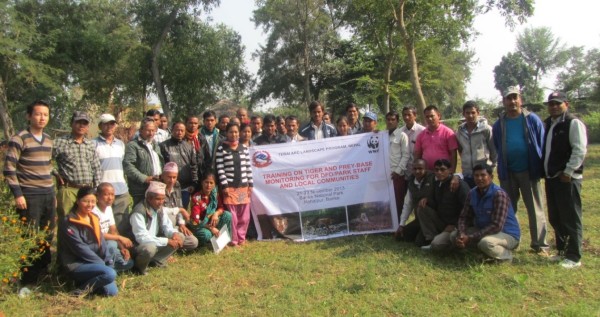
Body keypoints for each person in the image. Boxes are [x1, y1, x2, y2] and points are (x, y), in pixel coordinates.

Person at [3, 100, 55, 285]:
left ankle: (44, 272)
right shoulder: (20, 138)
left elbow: (47, 166)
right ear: (29, 116)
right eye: (38, 114)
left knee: (47, 235)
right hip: (30, 195)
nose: (42, 118)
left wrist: (54, 189)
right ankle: (26, 281)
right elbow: (9, 168)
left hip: (48, 193)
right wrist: (18, 194)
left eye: (45, 115)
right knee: (30, 236)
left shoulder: (48, 139)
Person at [492, 86, 549, 253]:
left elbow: (541, 143)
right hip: (507, 172)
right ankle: (512, 242)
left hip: (529, 171)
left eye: (515, 98)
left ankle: (539, 245)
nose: (512, 101)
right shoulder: (499, 124)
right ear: (504, 102)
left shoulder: (532, 120)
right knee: (509, 209)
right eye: (508, 99)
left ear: (520, 100)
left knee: (535, 209)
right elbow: (497, 144)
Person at [542, 91, 587, 268]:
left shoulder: (572, 122)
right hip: (551, 177)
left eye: (557, 103)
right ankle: (562, 251)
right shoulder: (549, 123)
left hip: (567, 178)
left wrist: (568, 171)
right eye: (551, 103)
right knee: (556, 216)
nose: (554, 106)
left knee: (570, 216)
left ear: (566, 104)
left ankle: (574, 256)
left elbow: (579, 150)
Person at [451, 164, 520, 262]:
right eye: (476, 175)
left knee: (486, 243)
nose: (479, 178)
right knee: (454, 236)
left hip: (506, 234)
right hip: (484, 231)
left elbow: (496, 226)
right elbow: (464, 217)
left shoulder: (499, 195)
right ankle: (484, 254)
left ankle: (507, 256)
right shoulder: (472, 193)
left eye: (483, 175)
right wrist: (462, 234)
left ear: (491, 177)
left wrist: (470, 237)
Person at [58, 187, 118, 296]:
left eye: (93, 201)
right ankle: (79, 292)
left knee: (111, 292)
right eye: (85, 201)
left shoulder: (94, 217)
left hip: (95, 262)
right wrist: (101, 264)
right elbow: (79, 248)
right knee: (109, 274)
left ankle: (89, 282)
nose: (89, 205)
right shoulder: (68, 222)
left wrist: (108, 261)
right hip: (76, 264)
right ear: (77, 201)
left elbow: (102, 242)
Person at [130, 181, 198, 275]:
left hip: (155, 240)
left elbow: (167, 226)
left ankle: (156, 260)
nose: (161, 202)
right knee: (150, 248)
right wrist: (167, 241)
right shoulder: (139, 212)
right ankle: (139, 268)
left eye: (163, 199)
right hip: (139, 246)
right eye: (158, 199)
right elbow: (141, 238)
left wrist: (174, 234)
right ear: (149, 198)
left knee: (180, 236)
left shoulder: (159, 208)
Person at [53, 111, 102, 218]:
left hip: (87, 191)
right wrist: (55, 173)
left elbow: (96, 167)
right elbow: (46, 160)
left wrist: (96, 189)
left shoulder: (90, 144)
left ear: (87, 127)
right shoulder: (60, 142)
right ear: (71, 124)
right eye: (78, 122)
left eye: (84, 123)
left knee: (86, 222)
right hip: (68, 190)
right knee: (67, 222)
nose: (81, 126)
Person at [215, 123, 253, 246]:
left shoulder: (244, 148)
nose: (234, 134)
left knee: (245, 216)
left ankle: (242, 238)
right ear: (226, 133)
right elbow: (220, 168)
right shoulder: (221, 149)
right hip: (230, 187)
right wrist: (224, 185)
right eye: (231, 132)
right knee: (233, 216)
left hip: (243, 186)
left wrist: (250, 184)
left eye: (236, 132)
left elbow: (248, 167)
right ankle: (234, 239)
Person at [92, 114, 131, 234]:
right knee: (103, 224)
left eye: (112, 123)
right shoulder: (93, 144)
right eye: (106, 123)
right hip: (102, 191)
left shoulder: (120, 144)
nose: (109, 126)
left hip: (120, 190)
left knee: (121, 223)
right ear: (100, 126)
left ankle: (122, 250)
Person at [419, 159, 469, 250]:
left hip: (456, 225)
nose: (439, 172)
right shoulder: (437, 183)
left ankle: (442, 242)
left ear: (450, 170)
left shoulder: (459, 185)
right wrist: (426, 200)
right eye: (436, 170)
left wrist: (456, 225)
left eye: (442, 169)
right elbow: (436, 203)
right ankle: (430, 238)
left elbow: (467, 209)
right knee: (422, 208)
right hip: (442, 222)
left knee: (437, 244)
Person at [92, 183, 134, 273]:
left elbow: (113, 230)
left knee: (130, 263)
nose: (110, 198)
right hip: (96, 244)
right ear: (98, 196)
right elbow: (98, 234)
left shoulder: (108, 208)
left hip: (108, 245)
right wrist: (119, 238)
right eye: (106, 195)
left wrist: (122, 248)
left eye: (112, 195)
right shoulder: (93, 211)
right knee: (112, 244)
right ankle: (107, 269)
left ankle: (108, 267)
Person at [123, 118, 164, 206]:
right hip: (141, 190)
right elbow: (128, 166)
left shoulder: (155, 145)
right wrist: (144, 178)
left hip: (156, 186)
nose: (151, 133)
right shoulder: (133, 145)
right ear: (141, 130)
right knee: (141, 214)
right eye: (148, 130)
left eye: (153, 130)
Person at [456, 101, 497, 188]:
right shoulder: (460, 131)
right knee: (470, 198)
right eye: (467, 113)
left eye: (473, 112)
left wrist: (491, 167)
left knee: (484, 198)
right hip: (467, 173)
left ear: (478, 113)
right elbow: (460, 149)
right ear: (463, 114)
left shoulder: (486, 129)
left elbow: (493, 150)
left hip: (483, 172)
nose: (470, 115)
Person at [394, 159, 434, 244]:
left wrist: (429, 199)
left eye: (420, 168)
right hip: (420, 219)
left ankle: (431, 237)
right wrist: (401, 224)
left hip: (433, 217)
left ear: (426, 168)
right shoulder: (411, 182)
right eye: (415, 169)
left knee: (420, 242)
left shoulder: (434, 178)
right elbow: (408, 204)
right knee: (402, 235)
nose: (417, 171)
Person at [159, 121, 199, 207]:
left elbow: (193, 166)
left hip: (185, 187)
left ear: (185, 132)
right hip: (169, 186)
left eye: (182, 130)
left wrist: (194, 183)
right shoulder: (163, 146)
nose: (179, 132)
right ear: (172, 131)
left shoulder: (189, 146)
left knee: (183, 211)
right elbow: (160, 166)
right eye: (177, 130)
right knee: (170, 212)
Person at [188, 171, 233, 246]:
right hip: (200, 226)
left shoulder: (214, 195)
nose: (208, 185)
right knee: (206, 234)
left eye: (211, 183)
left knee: (227, 215)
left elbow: (221, 207)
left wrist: (216, 214)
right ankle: (209, 244)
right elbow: (195, 221)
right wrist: (211, 228)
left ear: (215, 184)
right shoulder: (196, 198)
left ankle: (222, 242)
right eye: (206, 182)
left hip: (212, 222)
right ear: (202, 182)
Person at [414, 105, 458, 173]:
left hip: (444, 173)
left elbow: (453, 154)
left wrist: (452, 171)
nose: (430, 119)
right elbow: (418, 154)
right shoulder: (421, 135)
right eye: (427, 117)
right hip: (427, 173)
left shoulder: (448, 133)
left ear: (439, 116)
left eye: (432, 116)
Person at [387, 110, 410, 220]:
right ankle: (389, 224)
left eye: (393, 119)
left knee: (398, 201)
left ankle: (399, 226)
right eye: (388, 119)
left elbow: (406, 155)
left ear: (397, 121)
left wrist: (398, 171)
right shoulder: (382, 135)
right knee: (387, 200)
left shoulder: (402, 135)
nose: (390, 122)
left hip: (397, 174)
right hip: (385, 174)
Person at [160, 162, 192, 236]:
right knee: (171, 218)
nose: (172, 180)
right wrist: (180, 210)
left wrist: (181, 224)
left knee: (193, 242)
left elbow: (179, 205)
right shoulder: (158, 188)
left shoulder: (177, 186)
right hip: (163, 222)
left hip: (175, 222)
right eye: (169, 177)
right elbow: (160, 211)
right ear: (163, 176)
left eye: (174, 177)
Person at [399, 106, 426, 177]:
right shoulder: (400, 132)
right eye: (404, 115)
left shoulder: (423, 131)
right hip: (405, 170)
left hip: (420, 171)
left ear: (415, 116)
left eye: (409, 115)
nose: (406, 117)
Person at [184, 115, 211, 180]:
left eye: (195, 123)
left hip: (200, 171)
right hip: (185, 171)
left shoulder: (201, 137)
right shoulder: (181, 137)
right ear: (186, 124)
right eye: (191, 123)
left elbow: (207, 156)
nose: (193, 125)